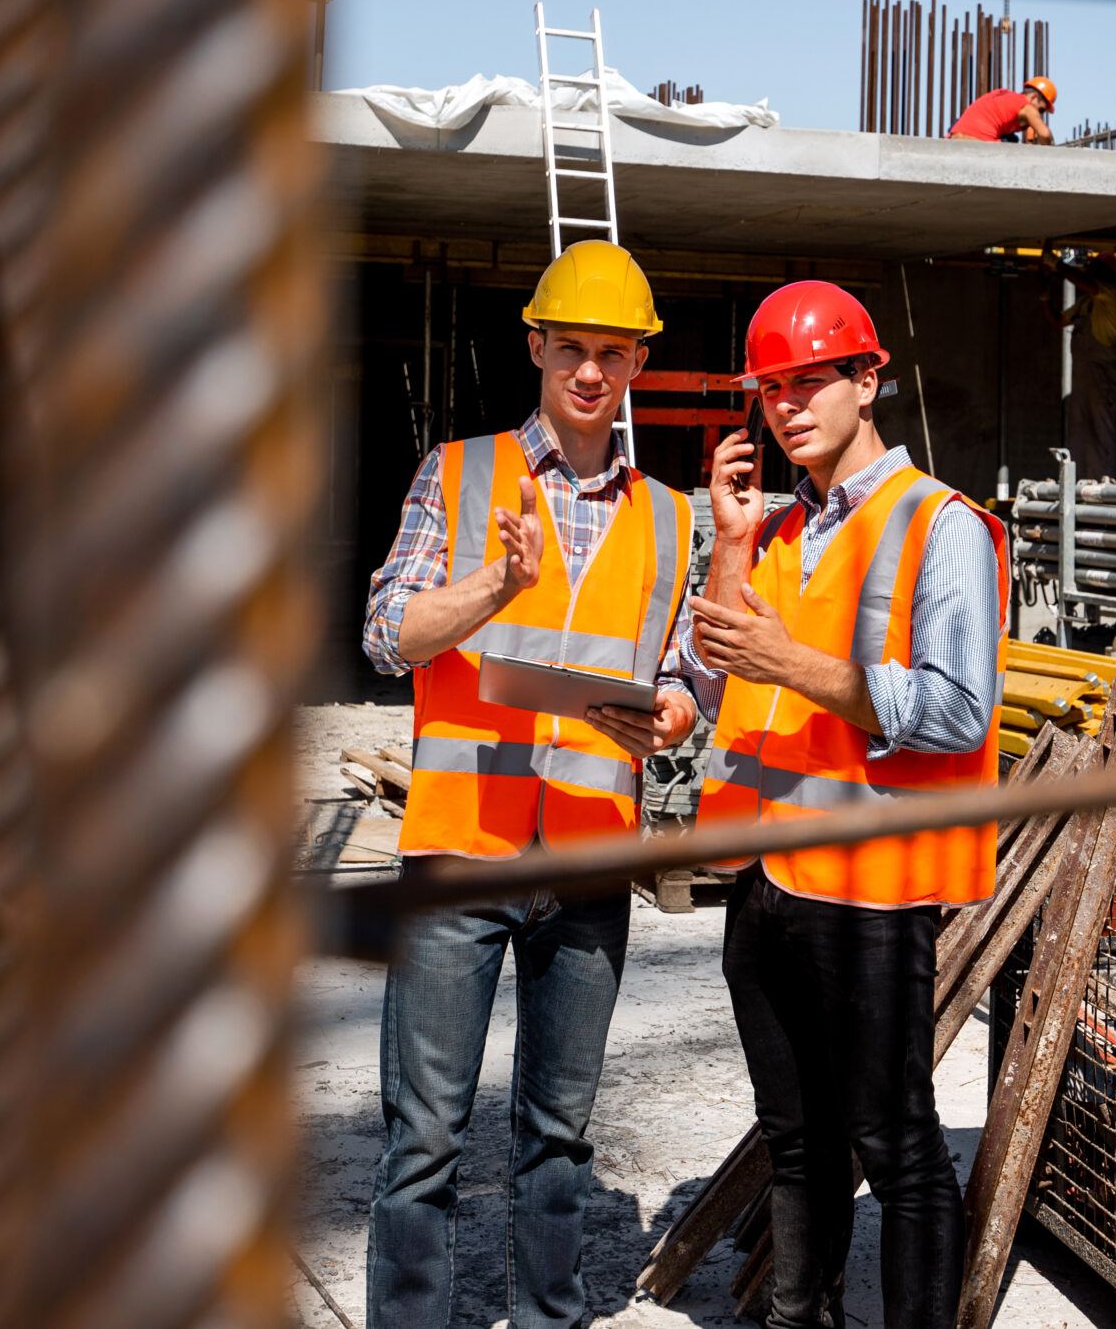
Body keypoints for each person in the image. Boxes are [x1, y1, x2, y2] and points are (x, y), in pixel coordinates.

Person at [360, 239, 699, 1329]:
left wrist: (681, 710)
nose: (589, 372)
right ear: (536, 349)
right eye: (569, 350)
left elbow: (689, 673)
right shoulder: (457, 475)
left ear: (639, 361)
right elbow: (387, 635)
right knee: (425, 1139)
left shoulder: (669, 516)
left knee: (557, 1141)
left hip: (590, 862)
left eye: (611, 352)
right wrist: (494, 584)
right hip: (462, 850)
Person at [678, 280, 1006, 1329]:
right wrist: (727, 547)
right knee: (797, 1138)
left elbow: (956, 711)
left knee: (895, 1145)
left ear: (869, 380)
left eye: (810, 379)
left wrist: (797, 661)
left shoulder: (938, 526)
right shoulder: (774, 533)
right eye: (771, 387)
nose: (786, 404)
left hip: (870, 888)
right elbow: (722, 682)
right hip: (768, 879)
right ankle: (796, 1316)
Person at [946, 74, 1057, 144]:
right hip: (979, 143)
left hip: (953, 138)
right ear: (1034, 97)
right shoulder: (1026, 107)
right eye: (1041, 110)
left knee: (1009, 137)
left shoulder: (1001, 94)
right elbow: (1045, 134)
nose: (1039, 114)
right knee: (1012, 142)